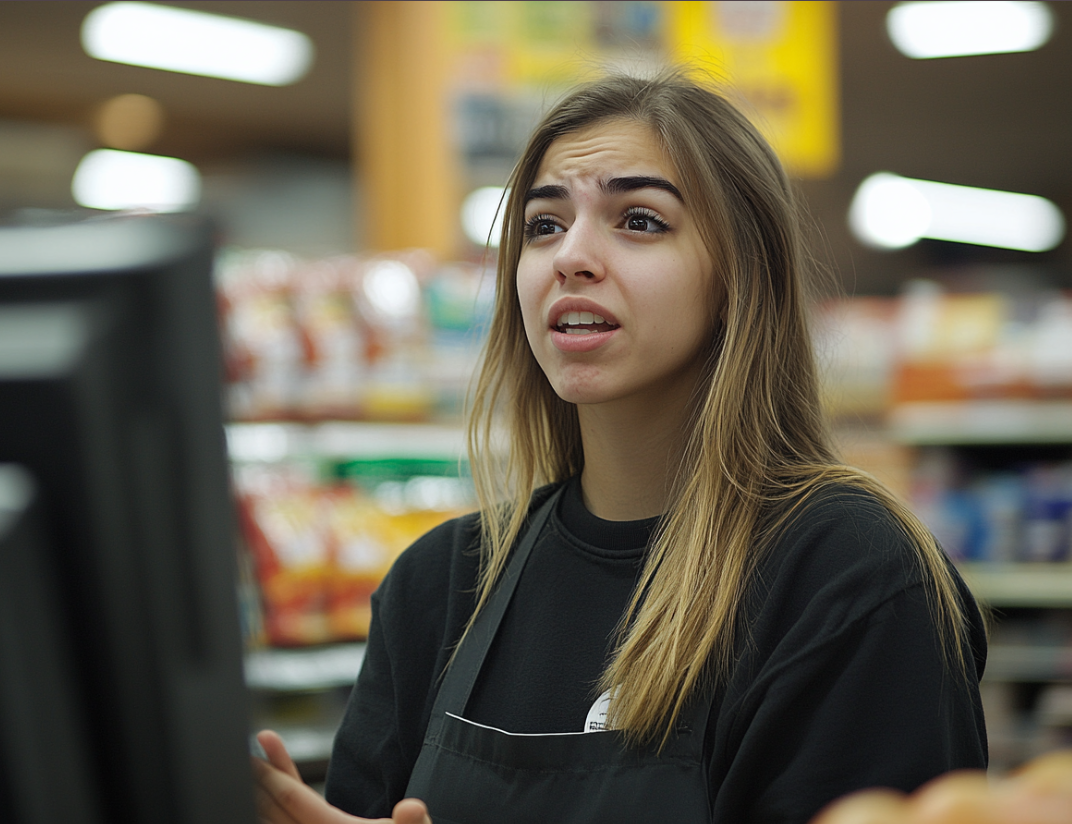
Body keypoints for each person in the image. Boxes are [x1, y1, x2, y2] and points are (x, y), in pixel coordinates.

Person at [252, 68, 989, 824]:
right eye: (543, 224)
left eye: (638, 220)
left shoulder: (847, 578)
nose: (572, 255)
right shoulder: (438, 588)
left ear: (740, 277)